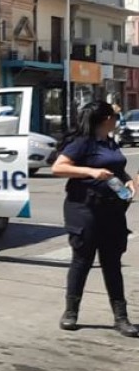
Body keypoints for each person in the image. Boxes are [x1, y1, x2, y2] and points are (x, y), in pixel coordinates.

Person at [51, 101, 139, 337]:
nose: (117, 119)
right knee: (82, 260)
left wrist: (128, 182)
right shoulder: (82, 142)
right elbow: (58, 168)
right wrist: (91, 172)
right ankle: (71, 313)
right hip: (84, 208)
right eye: (115, 116)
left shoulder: (109, 141)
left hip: (112, 210)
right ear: (105, 119)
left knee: (112, 263)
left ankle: (121, 318)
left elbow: (116, 171)